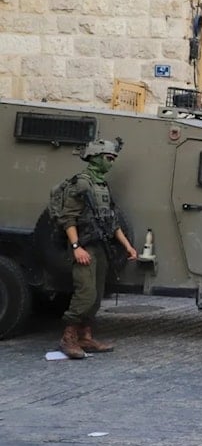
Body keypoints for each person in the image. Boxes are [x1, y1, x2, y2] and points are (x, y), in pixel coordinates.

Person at [56, 139, 138, 359]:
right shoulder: (81, 183)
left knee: (97, 296)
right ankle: (68, 338)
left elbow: (112, 221)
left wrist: (128, 246)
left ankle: (85, 336)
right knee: (85, 293)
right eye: (108, 159)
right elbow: (68, 218)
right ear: (96, 157)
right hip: (84, 246)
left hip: (100, 247)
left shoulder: (102, 185)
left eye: (112, 159)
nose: (110, 164)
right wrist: (76, 247)